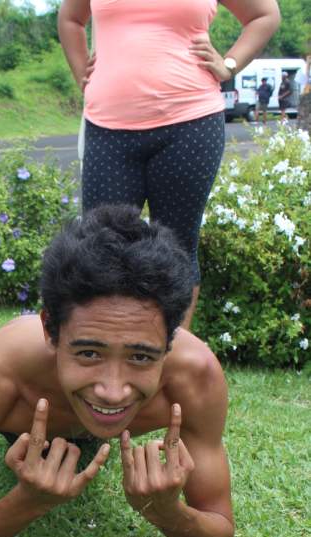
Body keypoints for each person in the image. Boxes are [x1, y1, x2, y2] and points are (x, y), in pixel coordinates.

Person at [0, 205, 234, 537]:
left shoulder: (197, 376)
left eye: (141, 357)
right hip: (26, 425)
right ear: (50, 331)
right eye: (89, 353)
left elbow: (220, 530)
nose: (112, 390)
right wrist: (26, 503)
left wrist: (169, 512)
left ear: (169, 342)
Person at [57, 0, 281, 328]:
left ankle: (168, 364)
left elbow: (266, 14)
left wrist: (229, 64)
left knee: (176, 248)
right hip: (107, 129)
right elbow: (70, 18)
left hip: (190, 125)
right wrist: (83, 77)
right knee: (100, 248)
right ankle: (106, 357)